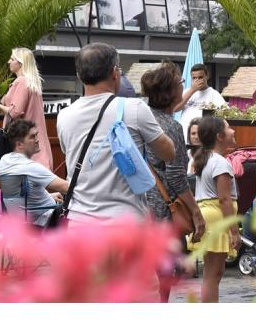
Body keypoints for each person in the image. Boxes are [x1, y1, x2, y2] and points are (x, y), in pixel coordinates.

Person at [56, 43, 175, 224]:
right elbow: (168, 153)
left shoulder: (64, 116)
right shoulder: (134, 109)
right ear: (115, 73)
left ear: (79, 76)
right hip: (125, 224)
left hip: (80, 224)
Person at [140, 62, 206, 302]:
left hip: (136, 206)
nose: (183, 87)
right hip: (161, 209)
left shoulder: (137, 119)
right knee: (163, 275)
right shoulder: (171, 127)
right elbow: (176, 176)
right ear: (171, 92)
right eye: (180, 84)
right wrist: (196, 212)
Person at [188, 116, 241, 303]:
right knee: (213, 275)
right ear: (219, 136)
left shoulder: (207, 159)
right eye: (229, 127)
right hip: (216, 219)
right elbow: (225, 199)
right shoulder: (220, 162)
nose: (233, 131)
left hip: (209, 216)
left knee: (212, 274)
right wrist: (234, 232)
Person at [0, 47, 53, 170]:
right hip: (35, 141)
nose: (8, 62)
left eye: (12, 59)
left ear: (21, 63)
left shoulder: (22, 82)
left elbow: (15, 111)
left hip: (25, 143)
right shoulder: (31, 82)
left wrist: (0, 108)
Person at [0, 119, 69, 226]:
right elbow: (67, 188)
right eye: (32, 137)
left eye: (36, 135)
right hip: (44, 222)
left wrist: (48, 196)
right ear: (19, 144)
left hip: (21, 223)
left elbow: (22, 196)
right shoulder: (30, 167)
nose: (37, 140)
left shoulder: (4, 161)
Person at [175, 64, 227, 139]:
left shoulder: (214, 94)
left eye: (200, 77)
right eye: (194, 78)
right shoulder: (186, 92)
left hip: (202, 138)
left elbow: (225, 114)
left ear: (207, 76)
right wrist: (192, 90)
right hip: (183, 135)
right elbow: (176, 108)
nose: (197, 80)